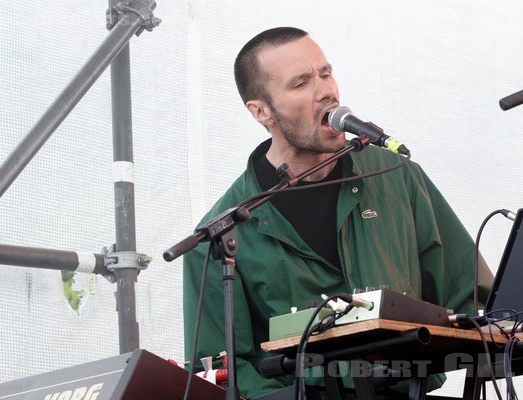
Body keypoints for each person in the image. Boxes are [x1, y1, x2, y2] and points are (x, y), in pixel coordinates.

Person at [182, 27, 492, 399]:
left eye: (325, 74)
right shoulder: (217, 234)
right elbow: (220, 369)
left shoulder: (398, 176)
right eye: (300, 83)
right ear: (261, 111)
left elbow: (475, 297)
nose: (325, 90)